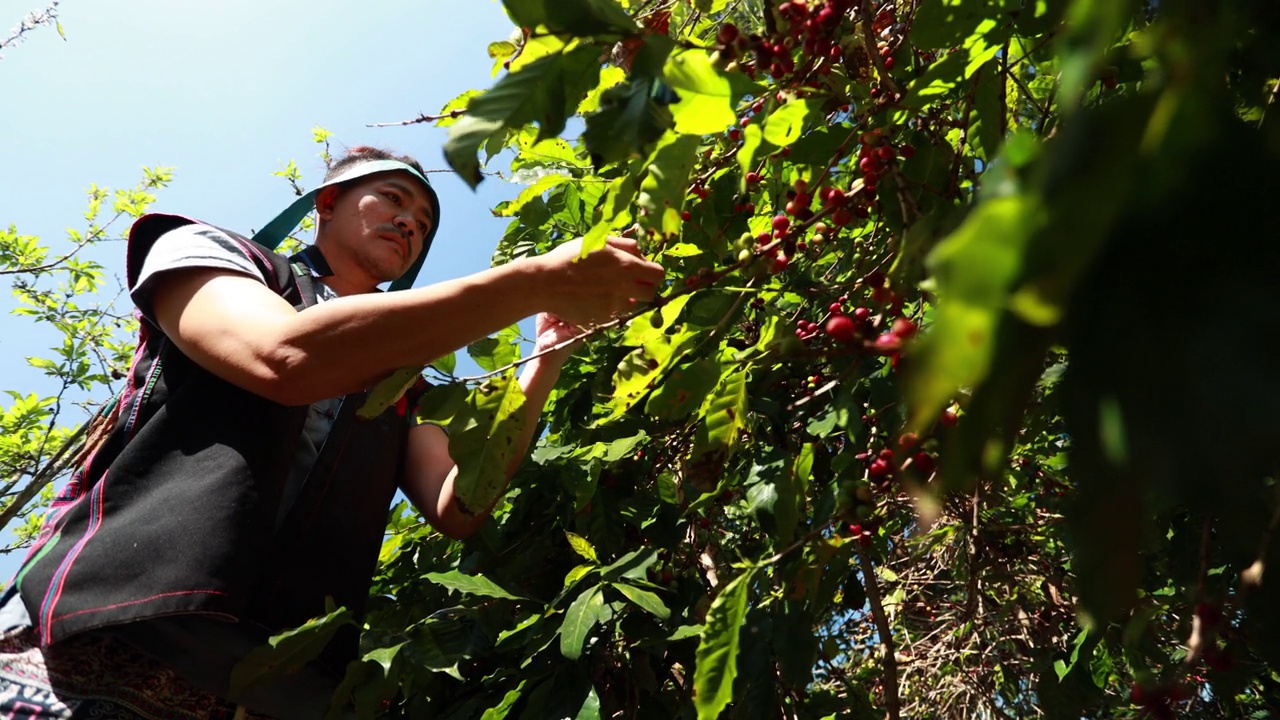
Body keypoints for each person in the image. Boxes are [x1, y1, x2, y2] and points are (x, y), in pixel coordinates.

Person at [0, 146, 665, 719]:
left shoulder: (401, 377)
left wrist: (545, 358)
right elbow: (281, 356)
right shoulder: (212, 253)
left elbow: (459, 505)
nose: (411, 221)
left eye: (426, 222)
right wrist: (528, 279)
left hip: (267, 684)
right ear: (327, 201)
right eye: (394, 198)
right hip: (100, 627)